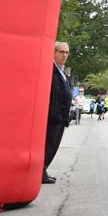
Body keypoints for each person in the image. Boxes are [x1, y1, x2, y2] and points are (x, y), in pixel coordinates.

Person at [44, 41, 73, 184]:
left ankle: (43, 170)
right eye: (61, 52)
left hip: (61, 117)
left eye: (67, 52)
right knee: (48, 144)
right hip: (53, 116)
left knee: (53, 145)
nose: (65, 55)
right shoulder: (50, 70)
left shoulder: (62, 71)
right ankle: (41, 172)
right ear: (54, 53)